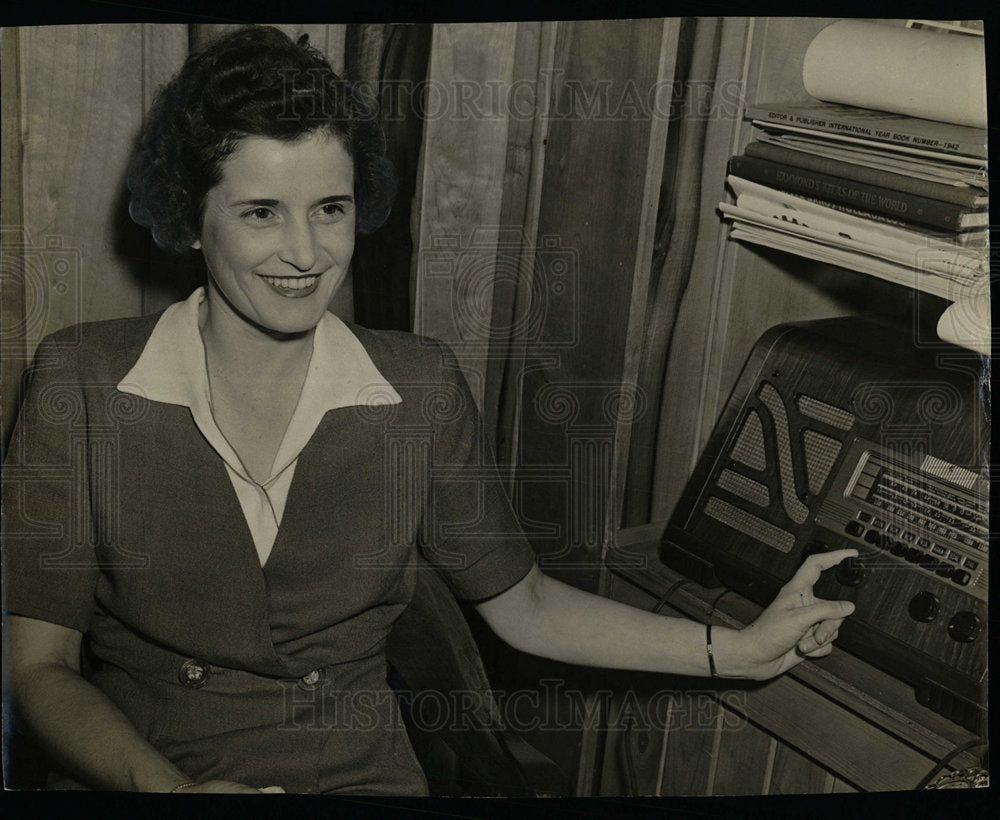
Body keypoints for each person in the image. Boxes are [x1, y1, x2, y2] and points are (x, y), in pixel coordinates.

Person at [3, 25, 857, 796]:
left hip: (356, 778)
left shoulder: (420, 388)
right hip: (141, 774)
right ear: (193, 220)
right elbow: (39, 671)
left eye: (329, 210)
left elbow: (528, 609)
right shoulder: (81, 380)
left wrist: (737, 649)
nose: (306, 253)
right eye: (261, 213)